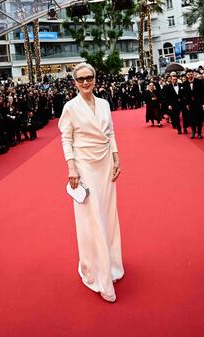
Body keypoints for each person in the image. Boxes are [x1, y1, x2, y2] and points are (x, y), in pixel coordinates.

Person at [58, 63, 123, 303]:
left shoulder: (105, 104)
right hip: (84, 166)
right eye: (81, 79)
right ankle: (96, 273)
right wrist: (71, 167)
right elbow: (66, 138)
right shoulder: (70, 107)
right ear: (74, 82)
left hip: (105, 165)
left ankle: (112, 266)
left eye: (89, 78)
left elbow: (111, 133)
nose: (86, 82)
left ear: (95, 79)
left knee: (108, 215)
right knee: (92, 217)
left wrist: (116, 157)